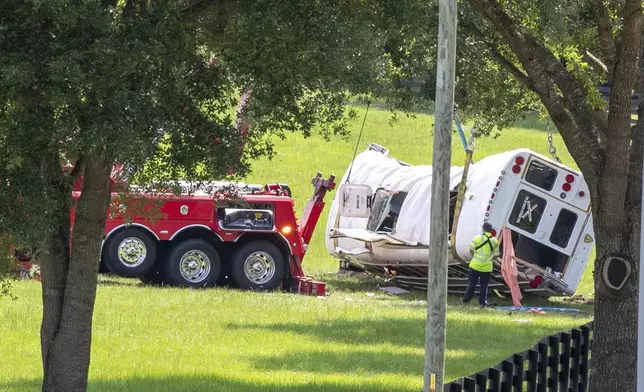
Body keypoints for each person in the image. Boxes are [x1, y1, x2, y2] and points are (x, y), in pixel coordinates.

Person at [462, 222, 499, 307]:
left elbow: (470, 250)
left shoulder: (477, 238)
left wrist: (474, 256)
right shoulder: (494, 241)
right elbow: (496, 254)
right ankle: (482, 303)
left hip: (475, 265)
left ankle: (466, 301)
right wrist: (489, 259)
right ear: (490, 230)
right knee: (484, 286)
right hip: (487, 267)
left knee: (471, 284)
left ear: (483, 229)